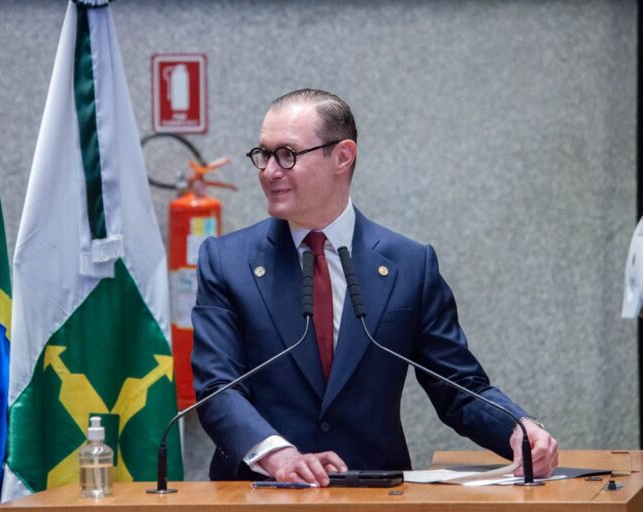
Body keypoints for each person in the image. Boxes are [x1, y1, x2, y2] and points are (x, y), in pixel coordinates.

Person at [191, 88, 558, 486]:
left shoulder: (410, 265)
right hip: (259, 492)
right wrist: (277, 454)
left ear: (343, 156)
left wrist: (518, 429)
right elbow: (217, 387)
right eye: (264, 154)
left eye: (288, 154)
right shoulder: (226, 261)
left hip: (374, 491)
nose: (270, 171)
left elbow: (458, 387)